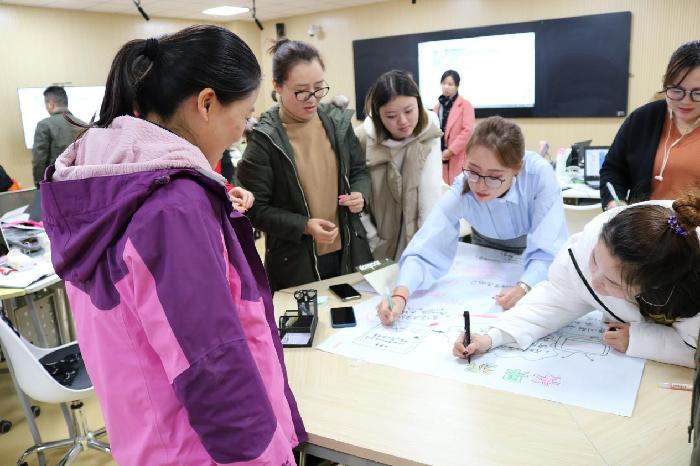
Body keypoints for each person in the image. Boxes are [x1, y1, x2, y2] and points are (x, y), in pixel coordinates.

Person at [40, 26, 305, 465]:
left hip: (149, 438)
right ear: (206, 103)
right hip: (206, 451)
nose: (242, 130)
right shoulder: (173, 208)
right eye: (245, 114)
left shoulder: (105, 184)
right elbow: (212, 365)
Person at [454, 192, 700, 371]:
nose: (595, 281)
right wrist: (491, 337)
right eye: (595, 260)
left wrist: (640, 340)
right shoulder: (592, 244)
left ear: (654, 285)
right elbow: (551, 303)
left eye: (613, 283)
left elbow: (694, 348)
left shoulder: (688, 286)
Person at [378, 116, 567, 320]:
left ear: (517, 169)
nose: (480, 185)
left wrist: (525, 286)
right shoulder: (462, 187)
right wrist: (401, 294)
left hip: (530, 253)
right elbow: (426, 246)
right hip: (484, 252)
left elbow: (548, 248)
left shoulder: (538, 175)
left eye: (494, 177)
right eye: (474, 172)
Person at [237, 38, 372, 292]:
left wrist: (360, 194)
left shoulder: (337, 123)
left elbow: (358, 171)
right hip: (295, 262)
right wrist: (304, 226)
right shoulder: (265, 139)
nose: (312, 99)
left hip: (350, 250)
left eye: (319, 88)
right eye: (301, 91)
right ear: (277, 86)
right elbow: (255, 210)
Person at [600, 40, 700, 209]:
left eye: (698, 93)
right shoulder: (643, 119)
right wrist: (615, 205)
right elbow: (613, 170)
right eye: (676, 90)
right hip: (645, 223)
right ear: (665, 84)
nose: (685, 101)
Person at [355, 70, 443, 260]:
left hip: (421, 242)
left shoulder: (430, 134)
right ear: (378, 115)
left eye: (409, 111)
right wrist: (372, 237)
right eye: (391, 116)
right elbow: (355, 196)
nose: (403, 121)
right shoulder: (362, 139)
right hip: (379, 246)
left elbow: (433, 191)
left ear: (419, 104)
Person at [31, 86, 85, 186]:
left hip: (57, 185)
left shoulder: (44, 125)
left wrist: (39, 184)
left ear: (51, 104)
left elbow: (39, 161)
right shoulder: (84, 125)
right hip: (82, 183)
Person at [433, 70, 475, 185]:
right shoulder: (437, 107)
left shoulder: (466, 105)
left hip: (457, 156)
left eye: (450, 84)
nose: (446, 87)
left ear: (457, 86)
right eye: (444, 83)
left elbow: (467, 131)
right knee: (442, 188)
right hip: (439, 155)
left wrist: (451, 151)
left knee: (458, 188)